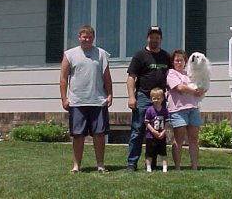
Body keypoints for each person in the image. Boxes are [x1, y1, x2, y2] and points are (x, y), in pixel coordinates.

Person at [59, 25, 113, 173]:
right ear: (79, 37)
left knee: (99, 134)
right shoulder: (70, 55)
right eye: (84, 37)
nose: (87, 40)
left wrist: (109, 94)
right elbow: (63, 78)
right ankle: (76, 166)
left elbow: (107, 77)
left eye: (90, 37)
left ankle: (100, 165)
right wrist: (64, 98)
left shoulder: (101, 54)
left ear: (93, 38)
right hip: (77, 101)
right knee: (78, 135)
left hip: (98, 100)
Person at [126, 26, 171, 172]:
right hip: (143, 96)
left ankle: (151, 163)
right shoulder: (140, 55)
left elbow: (171, 77)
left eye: (157, 37)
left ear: (161, 39)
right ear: (148, 38)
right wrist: (132, 97)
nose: (154, 39)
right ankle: (132, 163)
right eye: (152, 36)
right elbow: (131, 77)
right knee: (138, 129)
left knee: (157, 131)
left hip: (160, 98)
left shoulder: (166, 56)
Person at [166, 49, 205, 170]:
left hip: (193, 108)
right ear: (173, 62)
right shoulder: (171, 73)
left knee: (194, 139)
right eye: (176, 60)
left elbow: (201, 84)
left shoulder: (190, 74)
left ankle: (194, 166)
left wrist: (202, 89)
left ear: (185, 62)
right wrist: (194, 91)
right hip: (178, 109)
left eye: (181, 60)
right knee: (179, 139)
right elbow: (179, 87)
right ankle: (177, 166)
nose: (179, 62)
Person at [144, 87, 169, 172]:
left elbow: (167, 122)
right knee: (149, 153)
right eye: (154, 98)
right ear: (151, 99)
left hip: (162, 135)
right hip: (150, 136)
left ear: (162, 99)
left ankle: (165, 168)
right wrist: (153, 131)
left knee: (163, 153)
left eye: (158, 98)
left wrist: (164, 132)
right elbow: (146, 122)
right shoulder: (149, 110)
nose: (156, 100)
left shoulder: (165, 110)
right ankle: (148, 167)